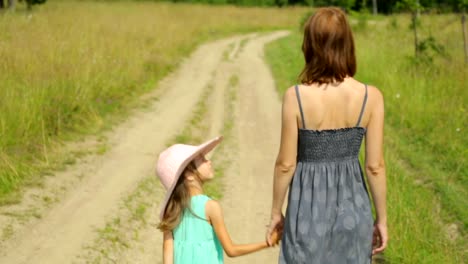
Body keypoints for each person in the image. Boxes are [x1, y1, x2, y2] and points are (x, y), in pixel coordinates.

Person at [266, 7, 388, 264]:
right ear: (348, 44)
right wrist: (382, 219)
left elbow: (285, 164)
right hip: (353, 211)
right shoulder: (371, 97)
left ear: (310, 46)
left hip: (306, 214)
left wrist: (276, 213)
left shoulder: (296, 97)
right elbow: (375, 166)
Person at [156, 136, 281, 264]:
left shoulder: (171, 212)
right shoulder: (210, 207)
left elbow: (168, 258)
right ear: (188, 175)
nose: (208, 161)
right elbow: (231, 250)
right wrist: (267, 243)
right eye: (202, 159)